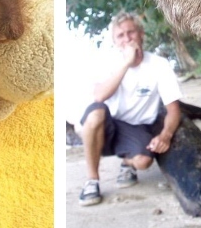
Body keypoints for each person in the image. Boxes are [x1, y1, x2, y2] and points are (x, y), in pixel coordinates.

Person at [77, 11, 183, 206]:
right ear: (115, 41)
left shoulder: (159, 64)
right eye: (120, 35)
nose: (127, 38)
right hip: (106, 125)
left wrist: (165, 135)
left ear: (141, 34)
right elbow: (99, 96)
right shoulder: (106, 62)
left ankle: (127, 163)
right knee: (96, 113)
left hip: (135, 127)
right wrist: (126, 63)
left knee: (143, 162)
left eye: (131, 32)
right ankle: (92, 180)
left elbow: (173, 109)